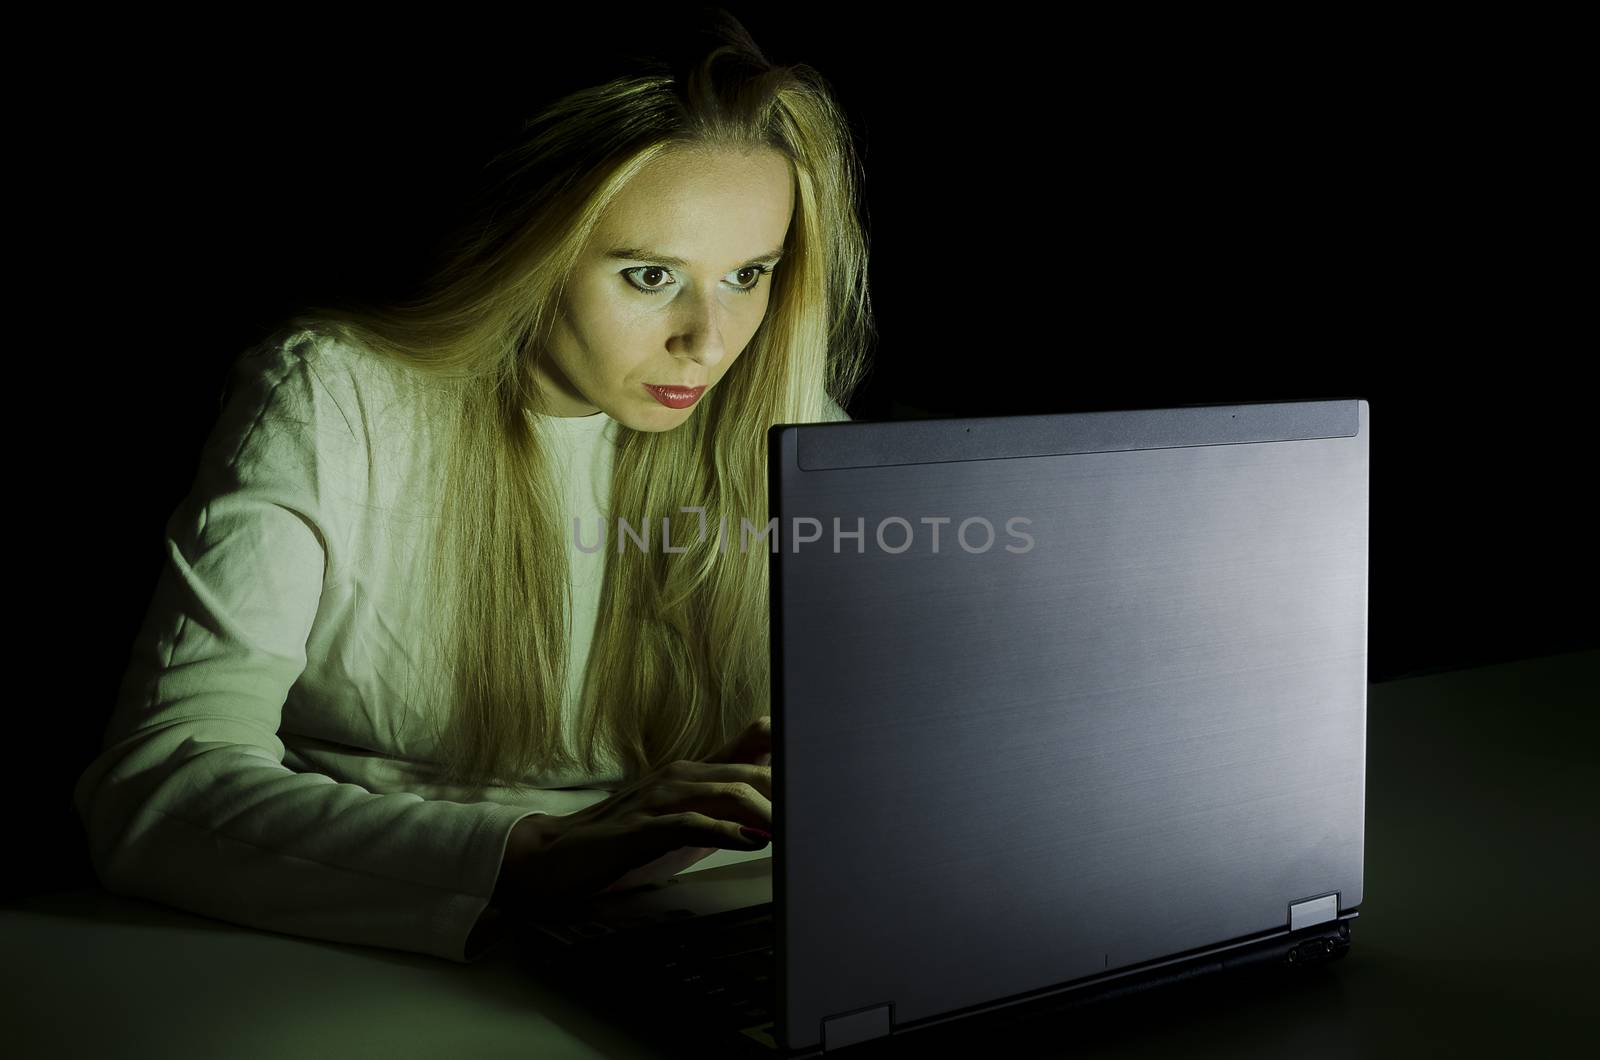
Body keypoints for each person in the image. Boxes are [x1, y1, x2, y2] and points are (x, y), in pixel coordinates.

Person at [73, 8, 872, 963]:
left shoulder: (790, 422)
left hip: (716, 927)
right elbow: (154, 789)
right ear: (530, 253)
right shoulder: (337, 396)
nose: (709, 340)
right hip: (361, 935)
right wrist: (529, 855)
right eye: (652, 275)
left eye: (748, 274)